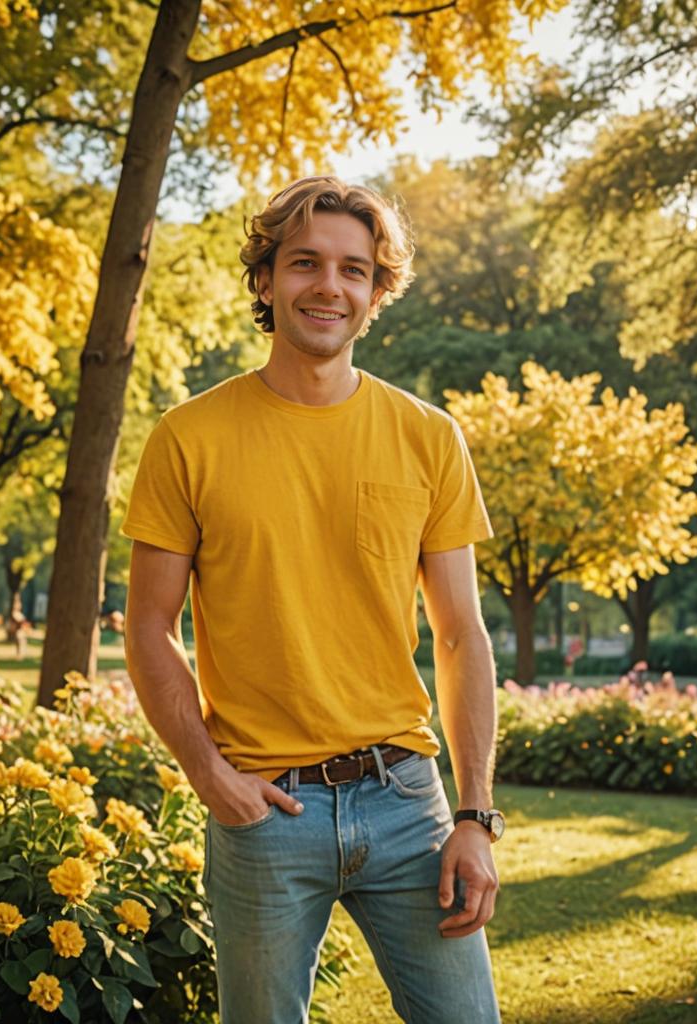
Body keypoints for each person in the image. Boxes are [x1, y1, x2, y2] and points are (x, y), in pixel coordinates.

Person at [122, 176, 504, 1024]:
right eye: (304, 263)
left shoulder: (428, 438)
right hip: (266, 811)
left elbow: (460, 635)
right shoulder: (189, 437)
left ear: (375, 293)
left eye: (354, 270)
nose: (329, 286)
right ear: (266, 280)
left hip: (409, 804)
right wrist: (208, 773)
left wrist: (475, 816)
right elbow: (149, 627)